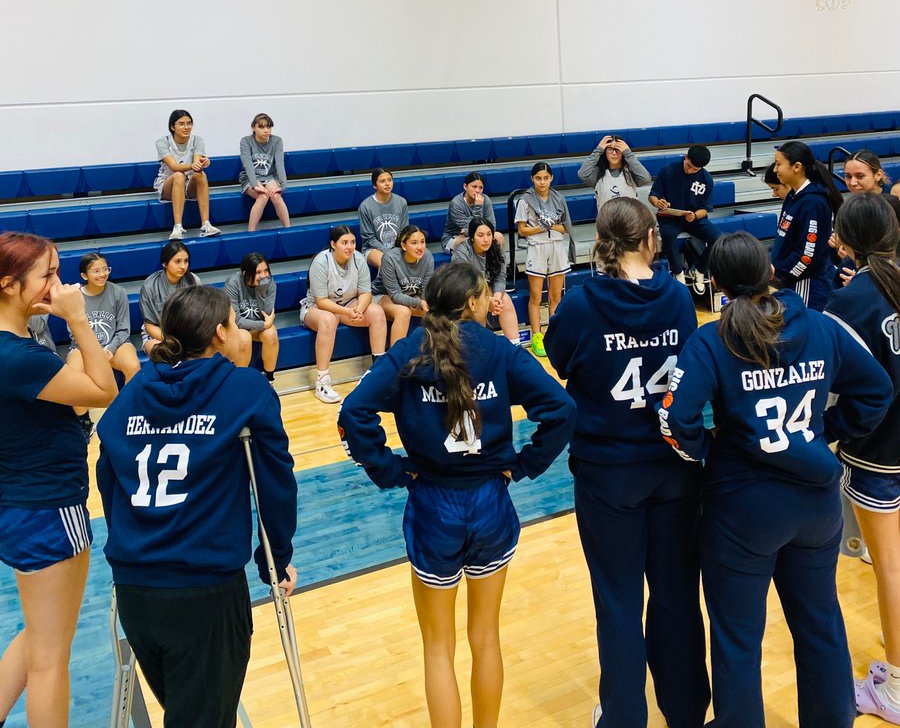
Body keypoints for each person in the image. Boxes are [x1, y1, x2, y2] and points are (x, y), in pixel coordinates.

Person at [659, 230, 892, 728]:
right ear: (769, 269)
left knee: (737, 638)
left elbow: (674, 419)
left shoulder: (712, 337)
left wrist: (709, 450)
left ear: (717, 282)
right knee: (821, 625)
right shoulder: (821, 325)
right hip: (815, 506)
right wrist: (822, 432)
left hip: (743, 511)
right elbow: (877, 390)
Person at [338, 261, 576, 728]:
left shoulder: (409, 351)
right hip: (490, 501)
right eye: (488, 294)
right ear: (472, 303)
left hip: (432, 504)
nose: (493, 300)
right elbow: (562, 410)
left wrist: (392, 471)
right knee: (485, 637)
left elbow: (353, 414)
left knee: (438, 647)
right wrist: (525, 465)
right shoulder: (501, 351)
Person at [96, 285, 297, 728]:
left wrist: (132, 537)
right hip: (205, 594)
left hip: (136, 590)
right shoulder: (244, 387)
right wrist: (275, 560)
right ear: (222, 333)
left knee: (192, 713)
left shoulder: (137, 387)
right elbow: (275, 479)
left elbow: (106, 468)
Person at [544, 198, 709, 728]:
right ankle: (685, 712)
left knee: (617, 601)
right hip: (673, 466)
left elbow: (561, 359)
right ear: (652, 237)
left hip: (608, 472)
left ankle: (622, 717)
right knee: (677, 595)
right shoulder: (680, 299)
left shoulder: (580, 304)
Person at [0, 232, 117, 728]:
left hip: (18, 505)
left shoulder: (18, 348)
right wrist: (78, 320)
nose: (59, 284)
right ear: (8, 284)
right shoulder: (19, 357)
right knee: (51, 659)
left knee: (39, 632)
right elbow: (103, 389)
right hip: (48, 509)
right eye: (47, 275)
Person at [826, 193, 900, 724]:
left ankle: (895, 687)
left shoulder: (851, 302)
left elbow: (832, 392)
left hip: (879, 455)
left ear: (847, 240)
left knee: (891, 570)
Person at [299, 225, 388, 404]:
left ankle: (378, 374)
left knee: (377, 312)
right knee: (328, 319)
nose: (350, 247)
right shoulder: (321, 261)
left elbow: (365, 293)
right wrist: (348, 312)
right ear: (333, 244)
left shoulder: (359, 259)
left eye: (353, 242)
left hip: (348, 305)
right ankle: (322, 382)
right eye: (344, 243)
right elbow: (322, 301)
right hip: (317, 308)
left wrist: (359, 310)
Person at [66, 252, 140, 440]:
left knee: (133, 365)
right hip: (82, 347)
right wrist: (94, 353)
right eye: (96, 271)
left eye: (105, 269)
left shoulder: (118, 292)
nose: (102, 274)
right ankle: (84, 421)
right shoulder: (75, 297)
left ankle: (125, 411)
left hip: (114, 344)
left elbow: (124, 329)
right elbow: (74, 333)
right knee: (73, 371)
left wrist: (110, 348)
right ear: (84, 276)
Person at [771, 139, 844, 311]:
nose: (775, 170)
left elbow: (807, 255)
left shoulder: (813, 202)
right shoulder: (793, 195)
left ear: (796, 167)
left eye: (778, 164)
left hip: (807, 285)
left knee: (804, 333)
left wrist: (779, 271)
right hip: (791, 281)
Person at [514, 162, 575, 358]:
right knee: (536, 297)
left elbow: (566, 228)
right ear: (532, 179)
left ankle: (554, 334)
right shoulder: (525, 200)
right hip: (536, 248)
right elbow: (522, 230)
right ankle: (537, 335)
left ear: (551, 179)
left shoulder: (559, 198)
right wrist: (542, 227)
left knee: (556, 296)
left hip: (556, 247)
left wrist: (550, 226)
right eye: (538, 178)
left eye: (546, 178)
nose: (542, 181)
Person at [649, 145, 720, 294]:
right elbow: (653, 195)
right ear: (685, 157)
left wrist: (694, 215)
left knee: (719, 239)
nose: (690, 170)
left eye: (695, 169)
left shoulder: (706, 179)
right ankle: (678, 272)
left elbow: (705, 209)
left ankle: (699, 270)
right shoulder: (669, 170)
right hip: (669, 216)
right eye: (688, 166)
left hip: (693, 218)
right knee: (668, 236)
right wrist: (658, 203)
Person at [153, 109, 220, 240]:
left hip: (189, 185)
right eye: (182, 124)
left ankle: (206, 224)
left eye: (189, 123)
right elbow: (174, 167)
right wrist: (192, 165)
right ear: (173, 126)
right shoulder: (162, 142)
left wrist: (203, 162)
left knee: (201, 175)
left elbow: (196, 165)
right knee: (179, 175)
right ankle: (178, 226)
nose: (186, 127)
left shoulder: (197, 140)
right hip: (169, 183)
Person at [452, 218, 519, 344]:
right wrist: (487, 301)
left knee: (505, 300)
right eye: (480, 235)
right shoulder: (462, 252)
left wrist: (497, 297)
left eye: (489, 234)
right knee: (479, 305)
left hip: (485, 291)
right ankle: (480, 347)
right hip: (464, 294)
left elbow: (500, 276)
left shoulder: (496, 248)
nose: (486, 239)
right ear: (472, 237)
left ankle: (515, 345)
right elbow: (463, 285)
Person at [372, 224, 435, 344]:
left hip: (410, 296)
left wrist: (427, 303)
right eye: (414, 243)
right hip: (382, 295)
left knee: (438, 312)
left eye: (422, 242)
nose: (420, 247)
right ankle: (396, 358)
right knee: (403, 312)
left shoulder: (427, 257)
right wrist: (419, 303)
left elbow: (425, 290)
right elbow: (395, 295)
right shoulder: (390, 258)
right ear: (403, 245)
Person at [224, 252, 279, 385]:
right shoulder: (233, 283)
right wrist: (263, 325)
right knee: (244, 337)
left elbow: (266, 313)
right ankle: (241, 383)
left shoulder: (269, 283)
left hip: (255, 328)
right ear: (245, 273)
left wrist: (261, 290)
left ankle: (269, 380)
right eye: (258, 272)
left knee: (271, 334)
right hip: (236, 329)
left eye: (266, 270)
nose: (264, 276)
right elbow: (235, 321)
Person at [139, 241, 201, 359]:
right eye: (177, 261)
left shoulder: (194, 281)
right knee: (162, 353)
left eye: (186, 261)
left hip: (187, 334)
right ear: (165, 263)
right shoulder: (150, 286)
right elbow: (149, 325)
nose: (183, 266)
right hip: (158, 334)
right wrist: (171, 341)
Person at [239, 113, 290, 232]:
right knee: (262, 196)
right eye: (261, 127)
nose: (266, 130)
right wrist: (255, 185)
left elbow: (280, 164)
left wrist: (282, 186)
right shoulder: (246, 141)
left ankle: (288, 231)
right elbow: (248, 165)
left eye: (269, 127)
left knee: (276, 196)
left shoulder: (277, 141)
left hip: (270, 176)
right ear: (253, 128)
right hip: (250, 178)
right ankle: (251, 233)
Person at [578, 133, 652, 210]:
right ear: (605, 152)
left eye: (617, 149)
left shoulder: (630, 170)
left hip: (630, 219)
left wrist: (628, 153)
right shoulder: (598, 173)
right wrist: (598, 150)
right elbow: (582, 174)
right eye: (610, 149)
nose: (614, 153)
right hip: (607, 220)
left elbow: (645, 179)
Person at [358, 168, 409, 269]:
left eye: (389, 180)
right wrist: (388, 251)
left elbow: (405, 231)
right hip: (373, 249)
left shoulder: (402, 202)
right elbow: (369, 238)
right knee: (387, 264)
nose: (387, 184)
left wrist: (397, 249)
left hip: (398, 247)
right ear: (374, 185)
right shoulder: (365, 206)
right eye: (382, 181)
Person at [441, 172, 505, 253]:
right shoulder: (456, 203)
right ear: (465, 186)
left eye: (480, 188)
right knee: (476, 241)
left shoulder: (486, 200)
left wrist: (467, 231)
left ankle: (497, 265)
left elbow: (492, 226)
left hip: (476, 235)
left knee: (498, 237)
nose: (477, 190)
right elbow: (472, 230)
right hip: (454, 238)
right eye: (474, 187)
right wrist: (478, 207)